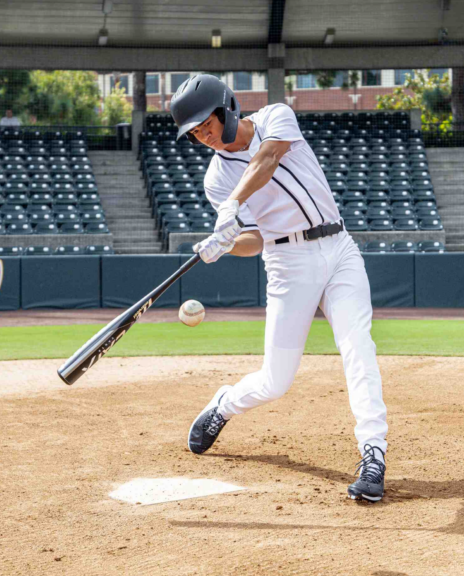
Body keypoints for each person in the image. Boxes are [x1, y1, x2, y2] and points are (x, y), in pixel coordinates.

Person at [171, 75, 389, 502]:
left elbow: (268, 158)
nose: (203, 135)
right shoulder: (215, 179)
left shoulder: (275, 117)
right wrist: (225, 245)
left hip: (339, 248)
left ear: (227, 107)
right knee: (275, 381)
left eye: (206, 123)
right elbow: (254, 241)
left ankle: (373, 452)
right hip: (289, 264)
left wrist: (232, 205)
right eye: (194, 132)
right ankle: (224, 405)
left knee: (357, 347)